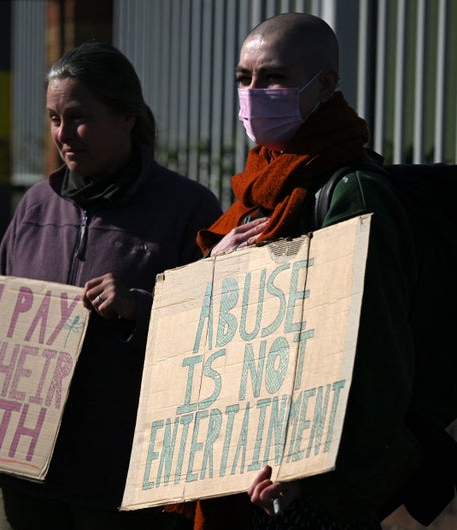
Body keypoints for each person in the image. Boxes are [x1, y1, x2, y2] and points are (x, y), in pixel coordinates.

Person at [0, 41, 223, 530]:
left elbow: (217, 332)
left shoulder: (186, 208)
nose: (63, 134)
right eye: (53, 119)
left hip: (116, 475)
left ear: (127, 117)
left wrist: (140, 307)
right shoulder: (36, 206)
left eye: (78, 117)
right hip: (17, 466)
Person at [165, 12, 421, 530]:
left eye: (274, 78)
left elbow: (375, 359)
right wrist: (215, 274)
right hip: (236, 465)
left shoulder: (353, 192)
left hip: (300, 489)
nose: (254, 92)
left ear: (326, 84)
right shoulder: (261, 184)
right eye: (244, 78)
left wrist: (319, 475)